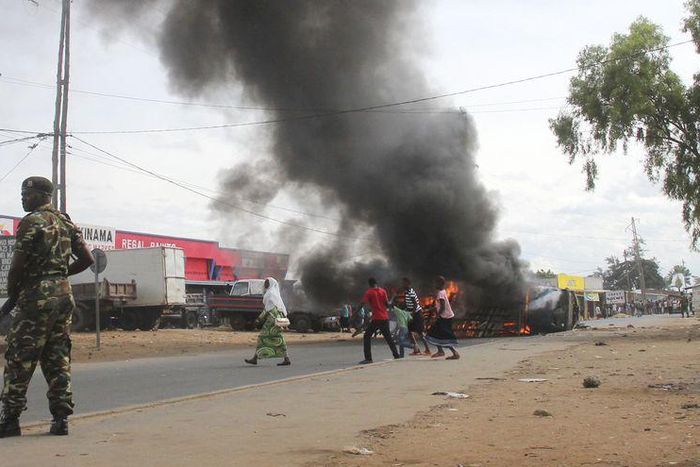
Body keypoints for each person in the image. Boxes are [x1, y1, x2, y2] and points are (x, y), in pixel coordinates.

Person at [0, 177, 94, 438]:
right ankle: (61, 419)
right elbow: (87, 258)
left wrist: (13, 294)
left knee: (19, 357)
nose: (22, 198)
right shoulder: (65, 221)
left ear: (42, 195)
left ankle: (10, 420)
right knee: (57, 358)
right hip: (64, 297)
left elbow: (17, 267)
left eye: (27, 194)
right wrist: (61, 273)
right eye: (22, 193)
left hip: (35, 298)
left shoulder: (31, 222)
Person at [245, 277, 291, 366]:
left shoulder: (270, 294)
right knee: (278, 338)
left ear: (270, 284)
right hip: (277, 320)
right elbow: (280, 309)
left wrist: (258, 319)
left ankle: (255, 358)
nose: (265, 284)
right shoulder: (275, 295)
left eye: (267, 283)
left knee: (262, 337)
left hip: (272, 321)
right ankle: (286, 358)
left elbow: (268, 310)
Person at [358, 278, 400, 364]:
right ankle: (396, 355)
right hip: (385, 318)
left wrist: (354, 314)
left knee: (367, 336)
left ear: (369, 284)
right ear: (376, 283)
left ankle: (368, 358)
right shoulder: (383, 291)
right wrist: (393, 297)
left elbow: (362, 304)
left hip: (376, 318)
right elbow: (388, 305)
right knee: (388, 338)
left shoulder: (369, 292)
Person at [425, 276, 460, 360]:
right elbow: (440, 305)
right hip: (446, 316)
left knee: (442, 334)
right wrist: (433, 309)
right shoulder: (442, 291)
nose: (434, 284)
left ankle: (454, 353)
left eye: (435, 282)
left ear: (440, 283)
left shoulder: (441, 293)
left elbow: (443, 307)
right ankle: (441, 351)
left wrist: (436, 317)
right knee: (436, 333)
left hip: (445, 317)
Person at [401, 277, 430, 356]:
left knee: (420, 332)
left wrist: (412, 315)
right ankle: (416, 350)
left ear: (408, 283)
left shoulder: (410, 292)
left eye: (404, 283)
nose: (402, 284)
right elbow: (408, 304)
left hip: (416, 314)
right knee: (410, 332)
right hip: (412, 314)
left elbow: (415, 304)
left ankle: (427, 350)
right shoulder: (406, 292)